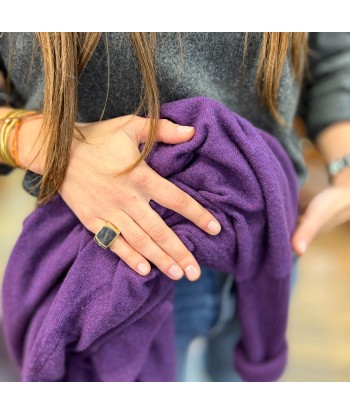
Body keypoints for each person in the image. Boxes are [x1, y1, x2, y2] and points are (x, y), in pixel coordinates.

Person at [1, 32, 350, 381]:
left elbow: (332, 51)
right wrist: (58, 147)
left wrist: (344, 165)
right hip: (107, 252)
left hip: (270, 238)